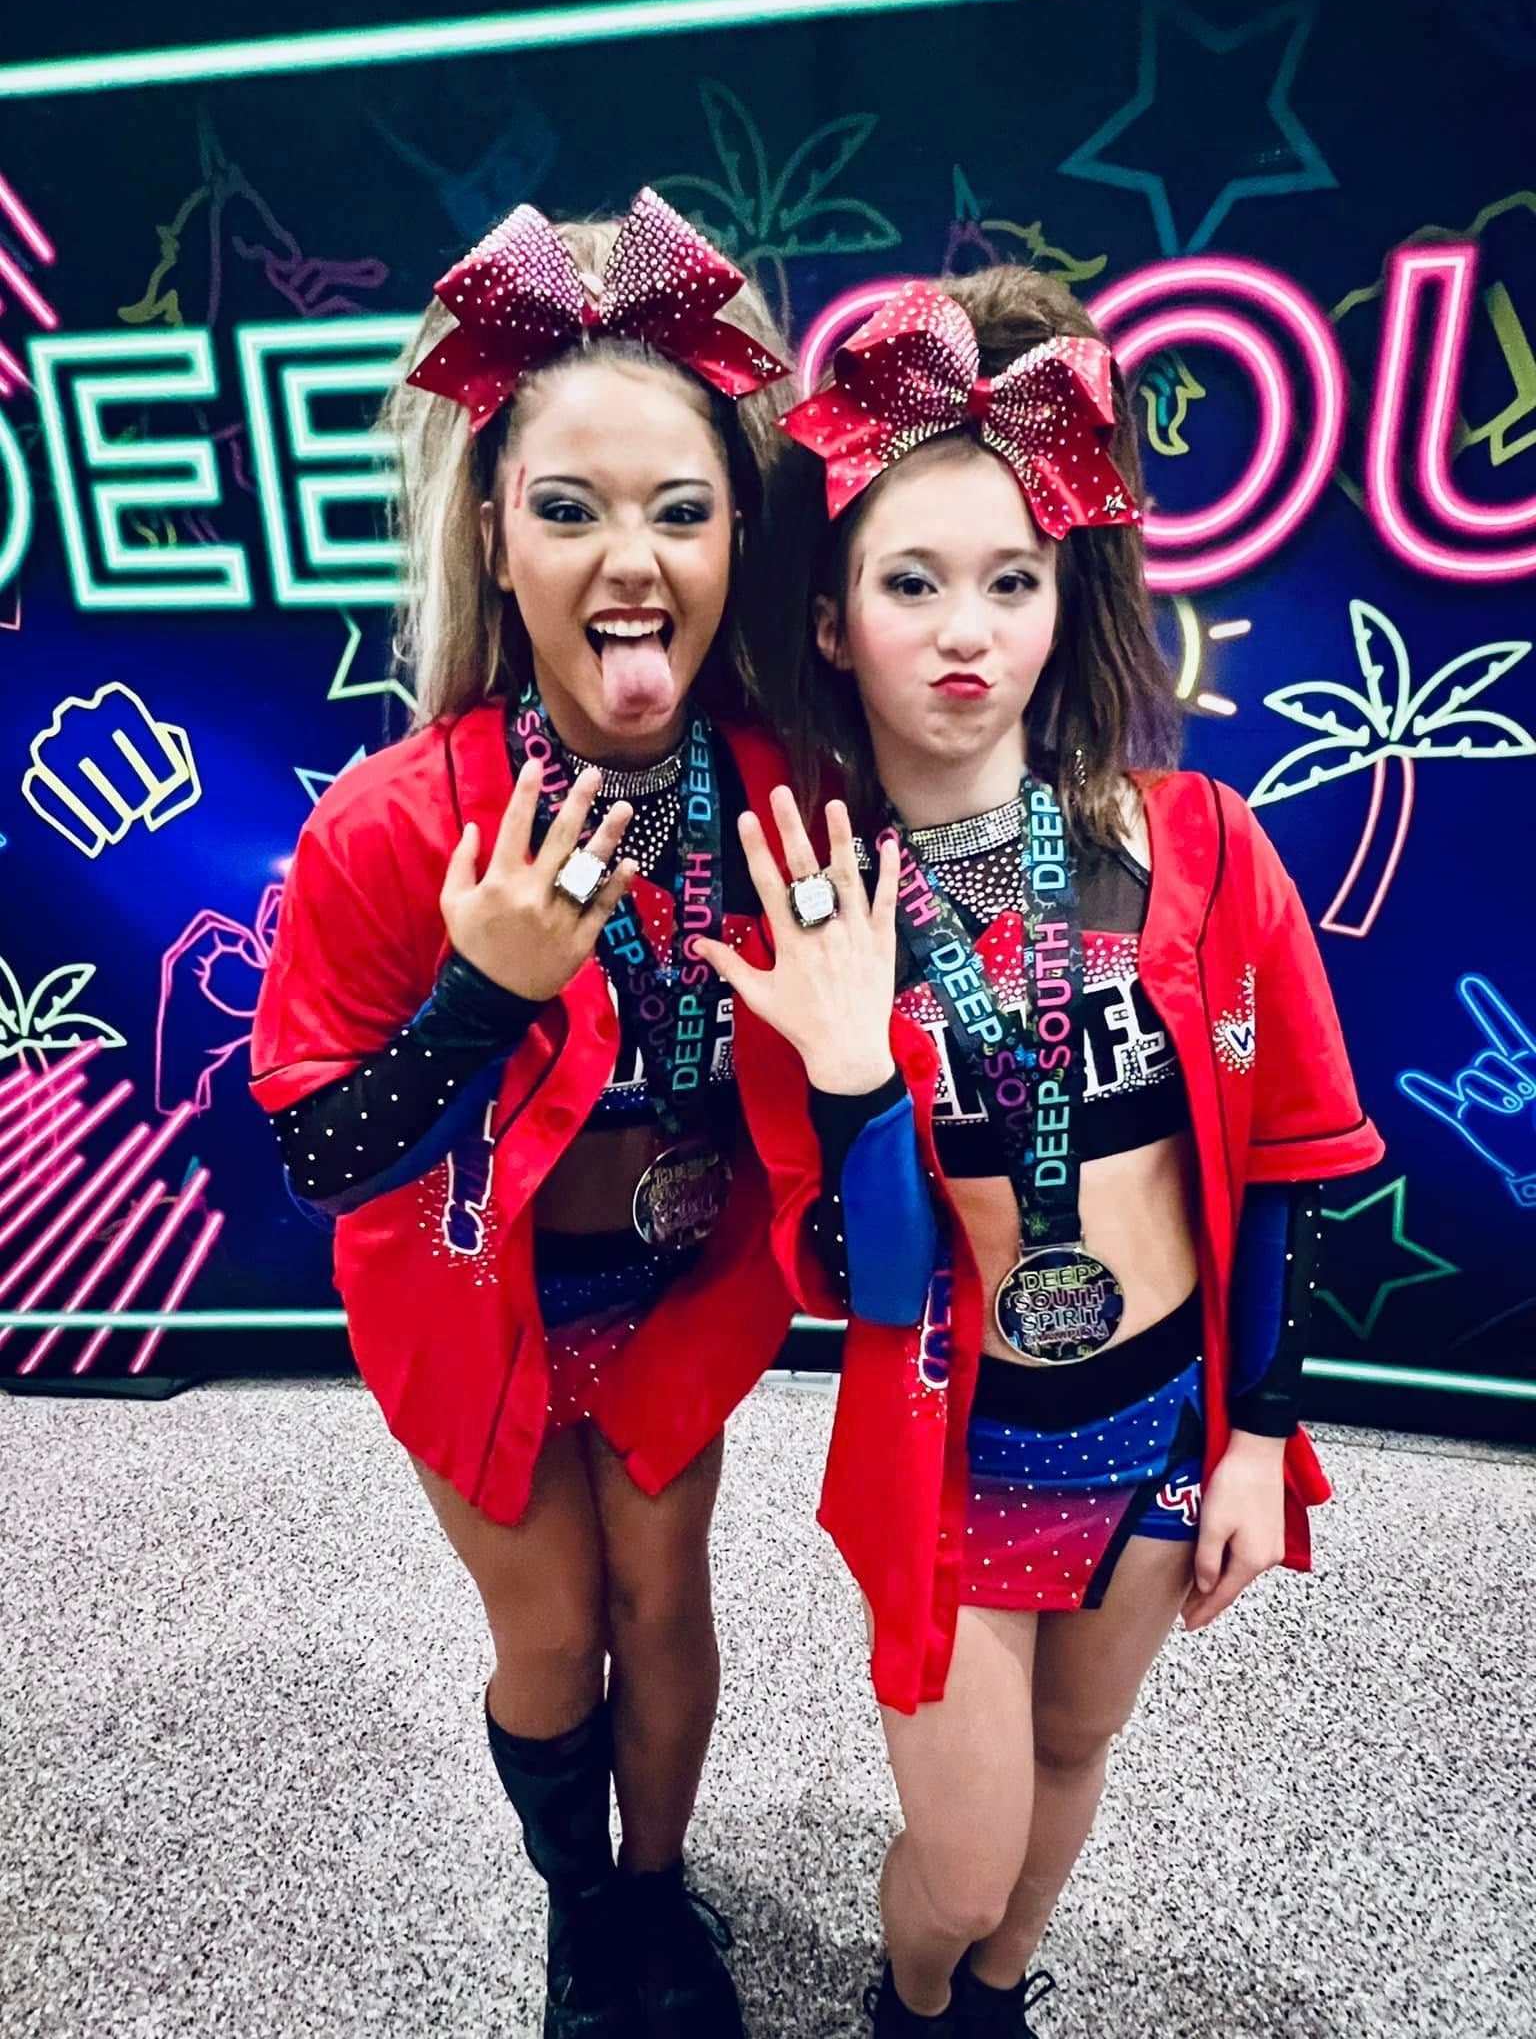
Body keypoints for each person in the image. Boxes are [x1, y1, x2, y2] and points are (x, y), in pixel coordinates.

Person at [697, 270, 1385, 2037]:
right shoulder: (821, 918)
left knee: (1076, 1760)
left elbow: (1290, 1162)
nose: (967, 632)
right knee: (957, 1865)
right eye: (911, 582)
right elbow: (871, 1287)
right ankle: (919, 1997)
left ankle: (993, 2002)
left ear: (1068, 596)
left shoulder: (1204, 850)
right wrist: (853, 1077)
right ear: (834, 620)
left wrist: (1259, 1436)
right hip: (959, 1458)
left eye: (1012, 580)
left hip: (1163, 1430)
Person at [250, 188, 804, 2039]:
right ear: (493, 535)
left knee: (666, 1601)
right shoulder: (392, 825)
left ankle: (653, 1894)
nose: (629, 561)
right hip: (469, 1303)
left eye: (679, 509)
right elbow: (318, 1153)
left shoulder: (789, 797)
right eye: (569, 509)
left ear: (738, 536)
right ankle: (583, 1915)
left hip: (681, 1296)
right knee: (554, 1632)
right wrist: (478, 997)